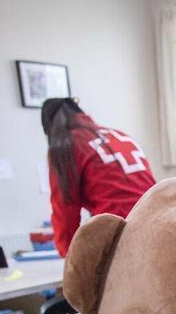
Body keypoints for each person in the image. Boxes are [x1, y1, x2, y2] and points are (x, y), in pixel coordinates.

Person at [41, 97, 156, 257]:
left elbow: (65, 211)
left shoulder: (65, 145)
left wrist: (70, 257)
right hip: (157, 222)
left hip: (120, 233)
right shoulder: (117, 135)